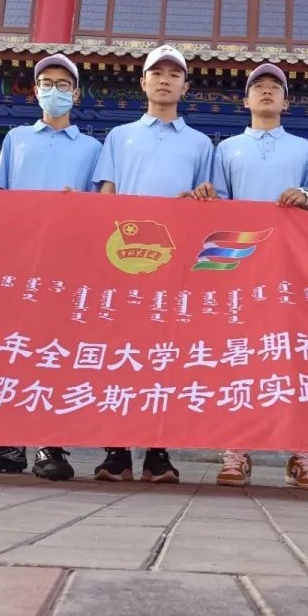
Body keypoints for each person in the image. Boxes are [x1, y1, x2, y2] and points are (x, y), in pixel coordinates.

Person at [187, 63, 308, 490]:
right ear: (245, 100)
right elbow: (219, 204)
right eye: (258, 87)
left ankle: (303, 453)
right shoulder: (227, 149)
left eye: (275, 87)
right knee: (239, 355)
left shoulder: (304, 149)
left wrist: (304, 196)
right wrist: (205, 197)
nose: (267, 92)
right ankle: (236, 449)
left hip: (290, 266)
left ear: (286, 101)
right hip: (241, 263)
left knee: (297, 355)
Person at [0, 53, 101, 481]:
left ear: (76, 94)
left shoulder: (92, 148)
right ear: (35, 91)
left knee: (53, 352)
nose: (54, 91)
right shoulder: (17, 139)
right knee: (14, 348)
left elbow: (101, 208)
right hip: (20, 258)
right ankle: (8, 444)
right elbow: (1, 196)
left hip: (68, 262)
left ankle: (50, 444)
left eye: (63, 84)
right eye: (46, 83)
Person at [91, 44, 214, 484]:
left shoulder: (201, 143)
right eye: (156, 73)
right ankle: (117, 451)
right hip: (122, 260)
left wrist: (198, 200)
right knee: (120, 353)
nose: (164, 80)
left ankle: (158, 451)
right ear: (143, 82)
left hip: (174, 262)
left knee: (166, 354)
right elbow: (105, 195)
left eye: (173, 74)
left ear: (185, 86)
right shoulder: (119, 136)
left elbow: (210, 201)